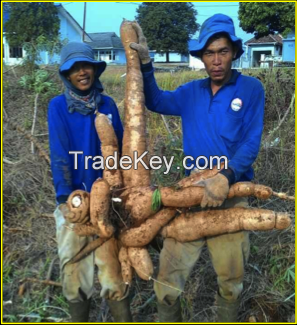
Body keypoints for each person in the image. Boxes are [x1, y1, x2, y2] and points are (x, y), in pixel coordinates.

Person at [130, 14, 265, 322]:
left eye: (222, 51)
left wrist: (225, 177)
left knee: (231, 282)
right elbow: (156, 101)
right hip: (189, 196)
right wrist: (147, 65)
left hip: (231, 196)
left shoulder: (251, 90)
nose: (216, 60)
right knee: (167, 281)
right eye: (209, 53)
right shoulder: (190, 93)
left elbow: (250, 144)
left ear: (234, 53)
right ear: (201, 57)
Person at [48, 42, 132, 322]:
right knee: (75, 272)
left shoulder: (107, 104)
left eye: (86, 66)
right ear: (66, 74)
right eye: (74, 68)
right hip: (74, 200)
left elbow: (118, 147)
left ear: (95, 70)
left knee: (113, 273)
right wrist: (65, 200)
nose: (82, 72)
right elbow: (59, 153)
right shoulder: (58, 107)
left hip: (108, 201)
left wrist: (123, 190)